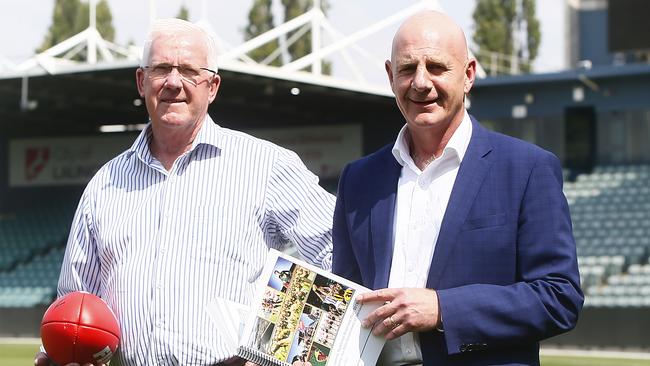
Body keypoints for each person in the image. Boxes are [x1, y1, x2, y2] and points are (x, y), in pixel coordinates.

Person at [35, 18, 329, 366]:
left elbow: (339, 250)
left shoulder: (267, 166)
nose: (174, 82)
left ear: (213, 86)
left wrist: (274, 347)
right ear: (142, 82)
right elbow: (76, 299)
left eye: (189, 70)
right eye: (161, 69)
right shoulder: (105, 184)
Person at [332, 10, 583, 366]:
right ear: (390, 76)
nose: (420, 82)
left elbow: (559, 297)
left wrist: (443, 309)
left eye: (436, 67)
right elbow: (345, 297)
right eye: (407, 69)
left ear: (468, 75)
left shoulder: (526, 168)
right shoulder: (358, 179)